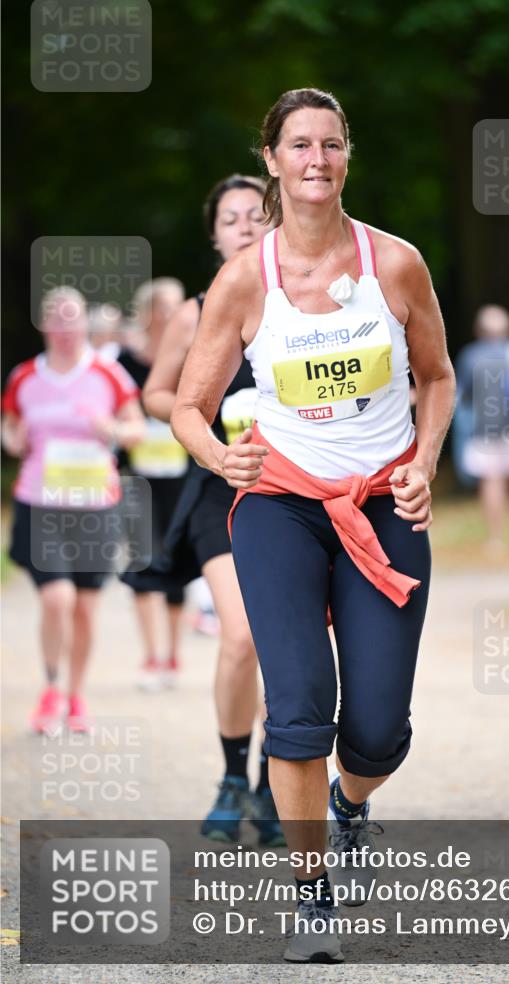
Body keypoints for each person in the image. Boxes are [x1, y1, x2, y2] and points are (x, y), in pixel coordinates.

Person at [171, 88, 455, 963]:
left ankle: (351, 802)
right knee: (296, 713)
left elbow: (437, 378)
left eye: (330, 144)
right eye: (299, 145)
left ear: (345, 157)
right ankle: (312, 894)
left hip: (380, 503)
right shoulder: (242, 281)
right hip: (280, 509)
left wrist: (422, 462)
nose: (315, 160)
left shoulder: (395, 265)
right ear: (272, 160)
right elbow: (189, 404)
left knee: (375, 730)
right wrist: (222, 460)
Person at [142, 173, 285, 846]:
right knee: (241, 635)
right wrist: (203, 418)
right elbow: (155, 395)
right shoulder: (196, 311)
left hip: (296, 490)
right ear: (214, 234)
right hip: (221, 489)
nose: (246, 226)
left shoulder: (302, 302)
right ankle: (232, 776)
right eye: (231, 218)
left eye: (257, 215)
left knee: (290, 644)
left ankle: (271, 785)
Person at [1, 287, 144, 733]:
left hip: (95, 506)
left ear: (85, 323)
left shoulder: (108, 373)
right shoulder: (25, 376)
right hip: (40, 503)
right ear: (44, 325)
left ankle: (76, 696)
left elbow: (137, 429)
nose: (65, 329)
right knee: (57, 598)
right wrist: (14, 441)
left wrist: (112, 429)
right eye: (56, 319)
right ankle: (49, 689)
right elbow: (9, 429)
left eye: (73, 319)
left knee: (85, 607)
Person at [117, 278, 188, 690]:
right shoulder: (123, 360)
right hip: (137, 475)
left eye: (177, 307)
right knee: (142, 557)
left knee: (175, 557)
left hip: (179, 474)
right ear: (146, 312)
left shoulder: (190, 358)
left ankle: (174, 655)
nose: (171, 315)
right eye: (163, 307)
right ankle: (150, 656)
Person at [456, 305, 509, 558]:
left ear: (479, 330)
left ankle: (496, 541)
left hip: (486, 430)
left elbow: (464, 396)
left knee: (492, 480)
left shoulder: (471, 355)